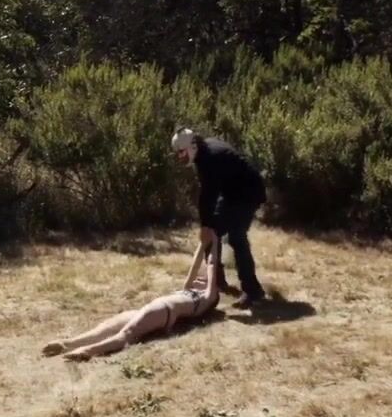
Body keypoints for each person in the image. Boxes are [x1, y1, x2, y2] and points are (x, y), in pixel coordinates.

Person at [42, 240, 222, 362]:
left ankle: (88, 351)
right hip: (157, 309)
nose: (200, 278)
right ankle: (68, 343)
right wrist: (204, 242)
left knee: (127, 334)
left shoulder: (207, 297)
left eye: (204, 279)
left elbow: (212, 264)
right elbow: (196, 264)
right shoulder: (189, 289)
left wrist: (214, 240)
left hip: (165, 310)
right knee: (108, 326)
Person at [171, 127, 266, 309]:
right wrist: (207, 226)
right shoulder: (202, 153)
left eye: (181, 152)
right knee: (211, 234)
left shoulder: (210, 158)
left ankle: (253, 291)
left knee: (236, 236)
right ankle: (216, 281)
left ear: (192, 146)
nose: (179, 156)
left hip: (249, 193)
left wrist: (205, 225)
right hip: (232, 193)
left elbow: (208, 196)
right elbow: (208, 195)